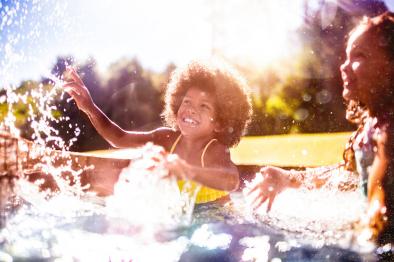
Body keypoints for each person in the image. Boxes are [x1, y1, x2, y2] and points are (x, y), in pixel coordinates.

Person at [246, 12, 394, 245]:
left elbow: (380, 212)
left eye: (359, 55)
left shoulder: (388, 132)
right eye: (346, 56)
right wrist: (289, 177)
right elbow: (347, 176)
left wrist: (342, 240)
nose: (344, 66)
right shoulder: (371, 128)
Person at [63, 60, 252, 204]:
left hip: (219, 223)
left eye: (204, 106)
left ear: (219, 123)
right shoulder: (167, 138)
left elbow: (231, 180)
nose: (191, 109)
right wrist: (89, 107)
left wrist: (186, 171)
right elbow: (119, 138)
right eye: (187, 101)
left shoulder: (213, 149)